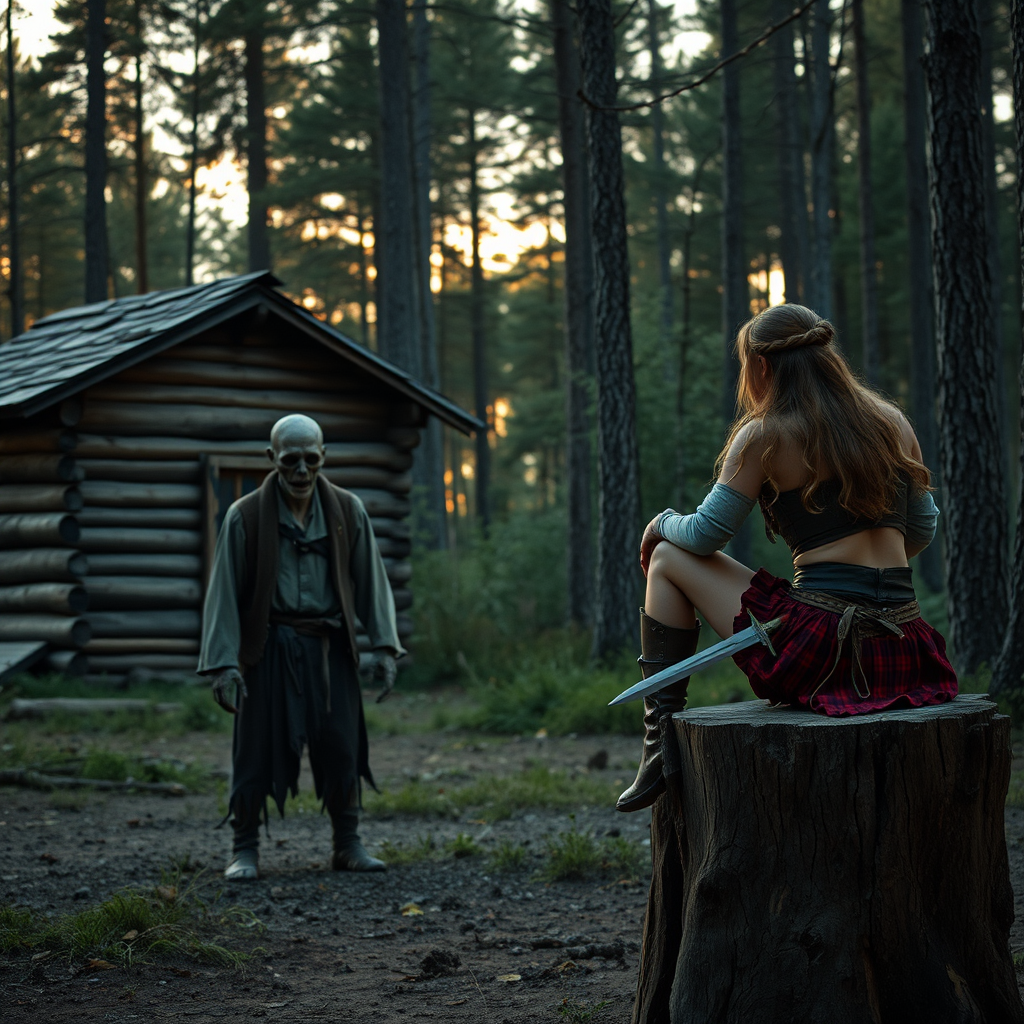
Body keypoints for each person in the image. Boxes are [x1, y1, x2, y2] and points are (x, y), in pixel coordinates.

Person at [617, 304, 958, 814]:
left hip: (823, 651)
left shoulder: (765, 434)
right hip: (903, 649)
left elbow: (705, 534)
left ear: (761, 366)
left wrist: (658, 523)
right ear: (826, 354)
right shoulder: (891, 422)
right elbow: (921, 531)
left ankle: (658, 742)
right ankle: (659, 745)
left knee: (667, 555)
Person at [199, 414, 405, 879]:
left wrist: (385, 646)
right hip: (268, 647)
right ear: (271, 459)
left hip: (331, 648)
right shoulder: (245, 515)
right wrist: (222, 662)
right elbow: (224, 592)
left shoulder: (347, 510)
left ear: (323, 458)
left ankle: (347, 845)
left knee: (341, 745)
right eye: (290, 460)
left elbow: (371, 580)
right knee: (254, 749)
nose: (300, 472)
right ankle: (244, 848)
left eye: (310, 460)